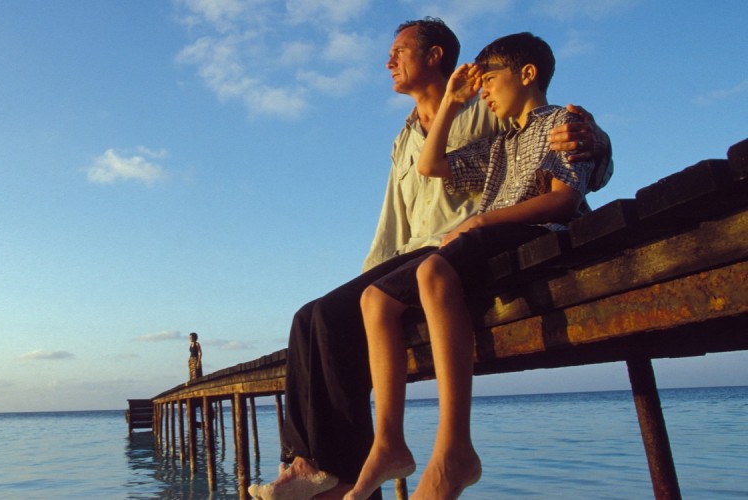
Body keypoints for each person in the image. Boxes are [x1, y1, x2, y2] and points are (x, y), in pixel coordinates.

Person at [248, 18, 611, 500]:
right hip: (405, 256)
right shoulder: (403, 139)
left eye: (399, 50)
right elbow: (394, 216)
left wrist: (595, 140)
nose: (388, 61)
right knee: (311, 316)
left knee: (338, 317)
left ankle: (344, 475)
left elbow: (557, 133)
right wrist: (365, 282)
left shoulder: (486, 109)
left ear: (435, 55)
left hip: (455, 247)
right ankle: (308, 464)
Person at [347, 32, 600, 500]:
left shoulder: (563, 123)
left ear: (527, 75)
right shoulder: (501, 143)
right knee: (374, 299)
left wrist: (482, 218)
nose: (482, 92)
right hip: (487, 238)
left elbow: (565, 201)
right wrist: (451, 101)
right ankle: (387, 442)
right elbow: (430, 165)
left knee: (432, 271)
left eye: (490, 81)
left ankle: (454, 448)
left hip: (539, 238)